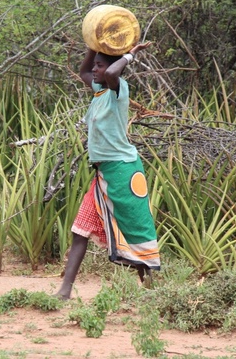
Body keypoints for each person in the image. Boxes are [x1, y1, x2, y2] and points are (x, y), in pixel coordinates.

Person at [55, 43, 161, 300]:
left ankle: (152, 290)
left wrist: (129, 55)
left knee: (135, 229)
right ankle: (65, 291)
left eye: (100, 66)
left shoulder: (118, 90)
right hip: (103, 173)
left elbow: (113, 74)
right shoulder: (99, 92)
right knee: (80, 229)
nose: (94, 69)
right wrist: (93, 44)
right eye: (95, 65)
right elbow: (83, 73)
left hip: (124, 172)